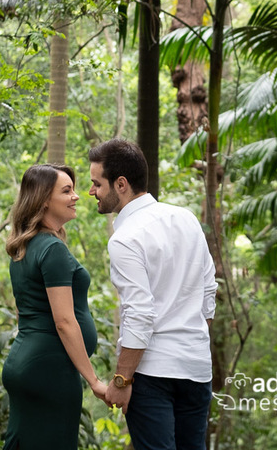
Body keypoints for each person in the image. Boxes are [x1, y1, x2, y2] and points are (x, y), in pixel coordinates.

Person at [88, 139, 216, 450]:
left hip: (152, 375)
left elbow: (139, 313)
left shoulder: (125, 238)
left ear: (121, 184)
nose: (92, 192)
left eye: (96, 183)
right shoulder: (185, 218)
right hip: (196, 368)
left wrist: (121, 381)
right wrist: (190, 340)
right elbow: (209, 290)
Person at [2, 164, 107, 450]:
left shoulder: (26, 245)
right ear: (43, 199)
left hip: (25, 363)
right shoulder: (52, 249)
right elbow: (64, 321)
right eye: (67, 190)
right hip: (50, 371)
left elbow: (27, 310)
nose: (76, 196)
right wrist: (94, 381)